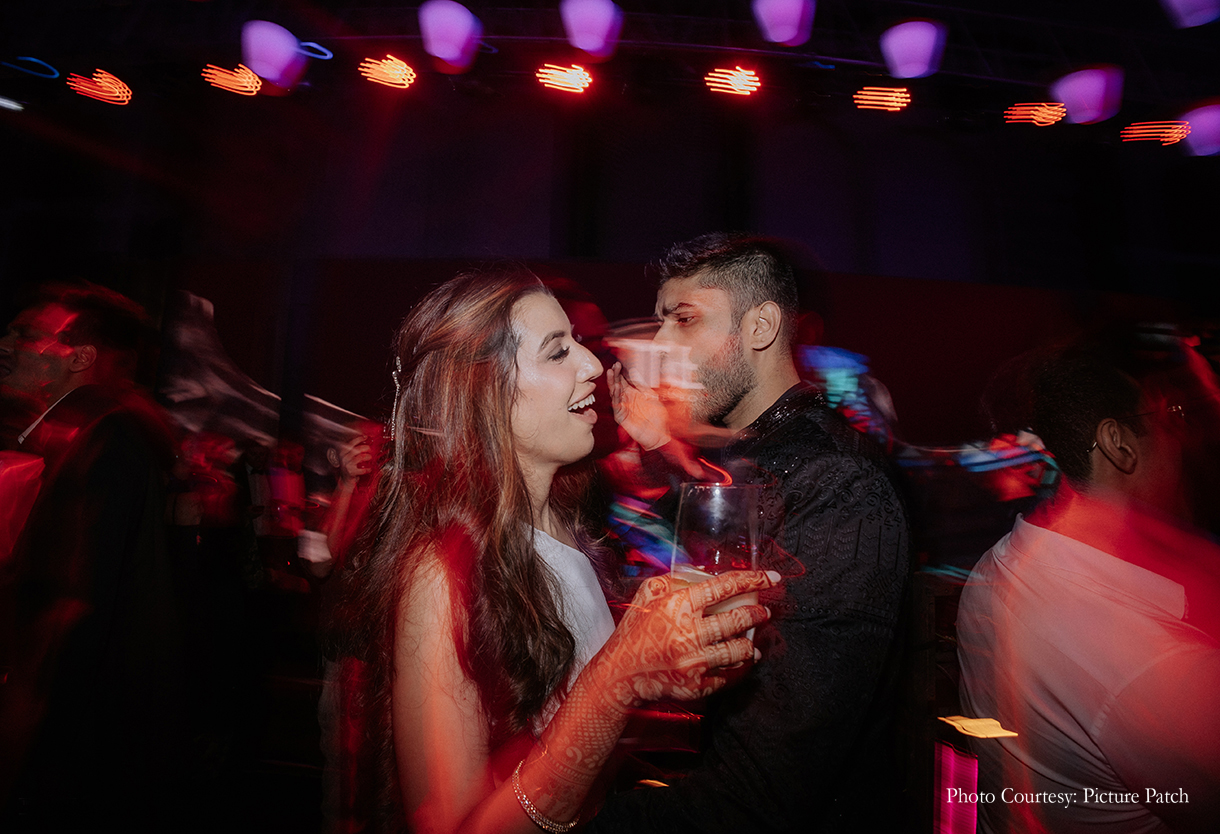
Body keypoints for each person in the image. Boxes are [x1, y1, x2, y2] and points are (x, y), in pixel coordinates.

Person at [336, 266, 777, 834]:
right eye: (556, 352)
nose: (593, 365)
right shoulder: (442, 571)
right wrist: (620, 680)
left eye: (578, 344)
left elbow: (562, 735)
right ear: (483, 392)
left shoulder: (564, 526)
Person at [597, 234, 911, 833]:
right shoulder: (764, 451)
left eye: (684, 320)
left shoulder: (841, 486)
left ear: (761, 327)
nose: (661, 345)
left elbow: (766, 789)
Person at [956, 330, 1220, 834]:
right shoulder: (1151, 658)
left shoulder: (1000, 566)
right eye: (1169, 418)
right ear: (1118, 444)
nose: (1180, 440)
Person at [0, 283, 185, 831]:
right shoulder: (73, 434)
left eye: (27, 333)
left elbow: (80, 597)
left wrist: (30, 710)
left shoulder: (109, 439)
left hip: (79, 736)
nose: (5, 340)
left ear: (78, 358)